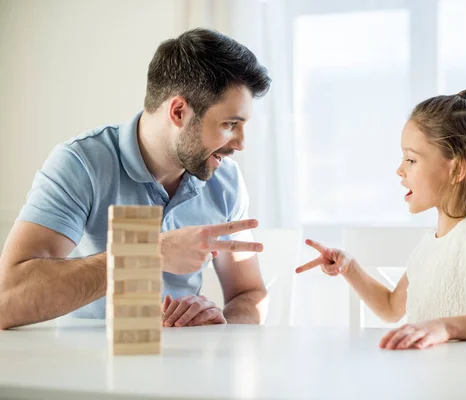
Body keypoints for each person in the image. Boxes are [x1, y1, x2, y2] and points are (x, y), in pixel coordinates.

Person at [0, 28, 272, 330]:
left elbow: (250, 294)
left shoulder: (225, 180)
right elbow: (7, 300)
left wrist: (221, 322)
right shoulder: (82, 164)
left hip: (183, 370)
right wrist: (149, 252)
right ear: (179, 111)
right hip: (84, 370)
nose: (241, 143)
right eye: (229, 124)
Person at [296, 89, 466, 350]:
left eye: (411, 159)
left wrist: (446, 327)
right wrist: (349, 268)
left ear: (458, 169)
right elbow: (391, 308)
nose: (399, 169)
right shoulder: (430, 245)